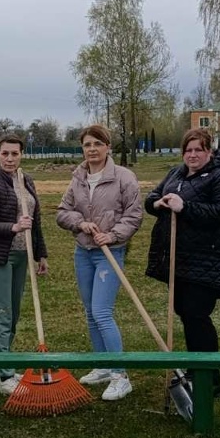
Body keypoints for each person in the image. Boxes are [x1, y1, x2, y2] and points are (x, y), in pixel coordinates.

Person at [144, 128, 220, 397]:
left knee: (196, 315)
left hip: (207, 259)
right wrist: (158, 203)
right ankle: (195, 369)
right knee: (186, 313)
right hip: (178, 259)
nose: (193, 155)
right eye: (188, 150)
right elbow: (151, 198)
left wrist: (185, 207)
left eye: (199, 149)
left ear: (209, 151)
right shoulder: (176, 173)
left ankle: (209, 379)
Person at [55, 124, 143, 401]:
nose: (92, 149)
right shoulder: (78, 177)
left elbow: (134, 215)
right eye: (87, 145)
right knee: (90, 312)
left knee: (102, 312)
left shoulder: (124, 177)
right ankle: (103, 365)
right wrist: (80, 223)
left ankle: (120, 375)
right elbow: (63, 212)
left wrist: (113, 235)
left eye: (97, 144)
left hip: (110, 252)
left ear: (108, 147)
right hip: (84, 252)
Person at [0, 134, 48, 395]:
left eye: (14, 154)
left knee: (14, 312)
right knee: (2, 313)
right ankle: (6, 376)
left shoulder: (25, 179)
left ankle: (0, 364)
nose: (9, 159)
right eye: (5, 153)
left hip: (22, 255)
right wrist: (14, 227)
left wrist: (41, 254)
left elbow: (35, 220)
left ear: (22, 155)